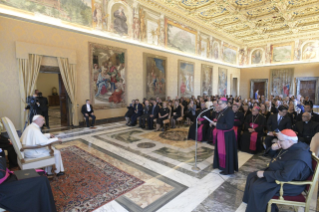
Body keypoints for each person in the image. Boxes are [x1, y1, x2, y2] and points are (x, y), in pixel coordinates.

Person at [243, 129, 313, 212]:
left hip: (290, 184)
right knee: (252, 176)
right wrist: (272, 148)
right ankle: (253, 205)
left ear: (290, 140)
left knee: (257, 187)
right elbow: (276, 157)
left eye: (280, 140)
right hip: (280, 174)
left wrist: (265, 174)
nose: (278, 142)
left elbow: (285, 176)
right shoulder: (291, 146)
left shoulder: (299, 157)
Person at [212, 97, 238, 175]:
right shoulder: (223, 111)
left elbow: (229, 125)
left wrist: (217, 125)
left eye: (220, 104)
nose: (218, 105)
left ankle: (227, 168)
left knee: (226, 152)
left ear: (225, 103)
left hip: (227, 136)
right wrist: (215, 122)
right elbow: (222, 120)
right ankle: (220, 165)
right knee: (220, 151)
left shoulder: (229, 112)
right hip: (221, 134)